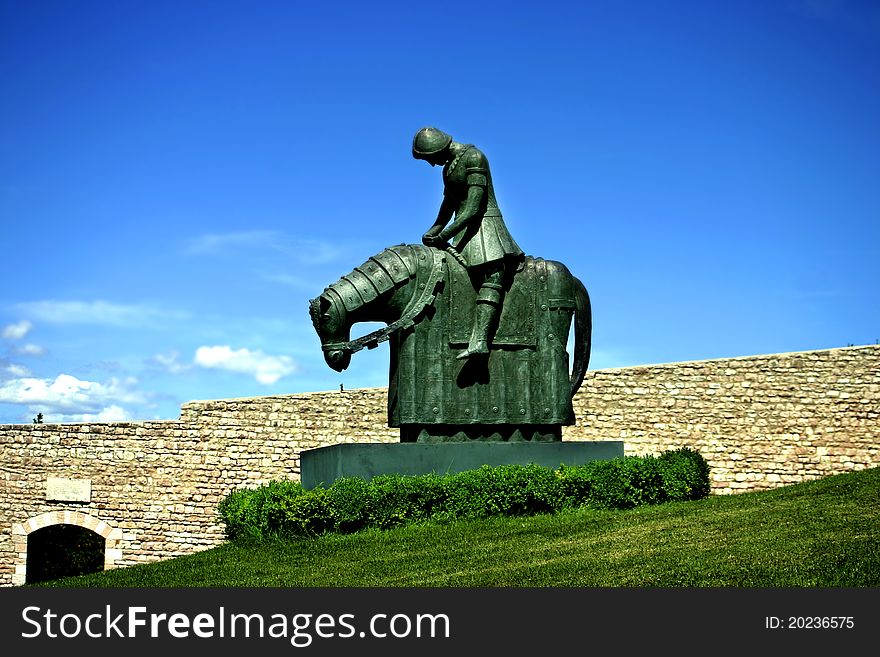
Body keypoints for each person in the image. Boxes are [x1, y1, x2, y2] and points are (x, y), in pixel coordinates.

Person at [412, 127, 524, 359]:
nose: (432, 164)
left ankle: (480, 340)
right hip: (463, 230)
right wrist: (434, 228)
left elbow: (473, 208)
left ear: (438, 148)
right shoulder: (448, 168)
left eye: (430, 158)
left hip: (486, 228)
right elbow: (449, 204)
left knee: (492, 277)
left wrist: (444, 235)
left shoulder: (474, 157)